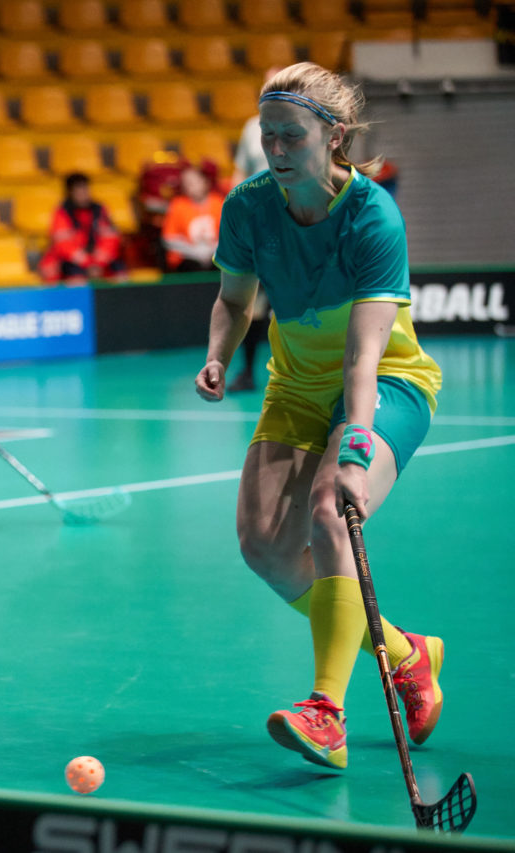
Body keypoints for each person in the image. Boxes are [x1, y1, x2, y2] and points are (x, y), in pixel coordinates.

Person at [195, 63, 445, 771]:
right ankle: (407, 653)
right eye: (268, 135)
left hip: (384, 383)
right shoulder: (248, 207)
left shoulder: (372, 216)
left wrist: (358, 450)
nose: (276, 150)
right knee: (265, 547)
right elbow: (233, 300)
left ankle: (326, 711)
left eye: (291, 136)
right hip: (296, 386)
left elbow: (365, 357)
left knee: (331, 510)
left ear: (332, 136)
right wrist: (219, 353)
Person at [227, 67, 282, 392]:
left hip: (297, 223)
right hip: (259, 228)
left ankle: (296, 374)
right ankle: (247, 372)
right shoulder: (251, 128)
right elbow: (239, 173)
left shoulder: (303, 124)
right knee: (253, 304)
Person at [37, 172, 126, 283]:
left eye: (85, 189)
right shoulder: (62, 212)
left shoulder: (99, 209)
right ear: (70, 193)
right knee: (75, 276)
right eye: (78, 191)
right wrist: (87, 263)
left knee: (119, 271)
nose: (83, 194)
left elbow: (110, 238)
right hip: (75, 261)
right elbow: (64, 245)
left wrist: (98, 262)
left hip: (98, 260)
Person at [160, 162, 224, 272]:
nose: (190, 187)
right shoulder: (177, 205)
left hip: (216, 255)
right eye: (186, 183)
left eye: (193, 182)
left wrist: (211, 251)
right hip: (187, 258)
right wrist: (195, 252)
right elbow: (169, 238)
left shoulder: (219, 203)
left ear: (205, 182)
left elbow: (229, 235)